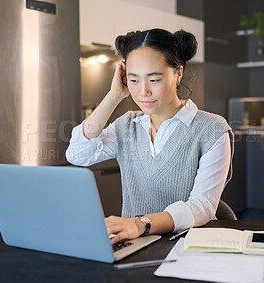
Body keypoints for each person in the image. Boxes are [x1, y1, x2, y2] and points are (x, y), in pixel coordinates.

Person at [66, 28, 233, 245]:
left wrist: (140, 224)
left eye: (154, 80)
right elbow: (78, 154)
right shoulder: (127, 125)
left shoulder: (211, 129)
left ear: (178, 73)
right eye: (133, 80)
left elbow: (201, 207)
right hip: (131, 246)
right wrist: (114, 95)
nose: (143, 92)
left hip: (187, 247)